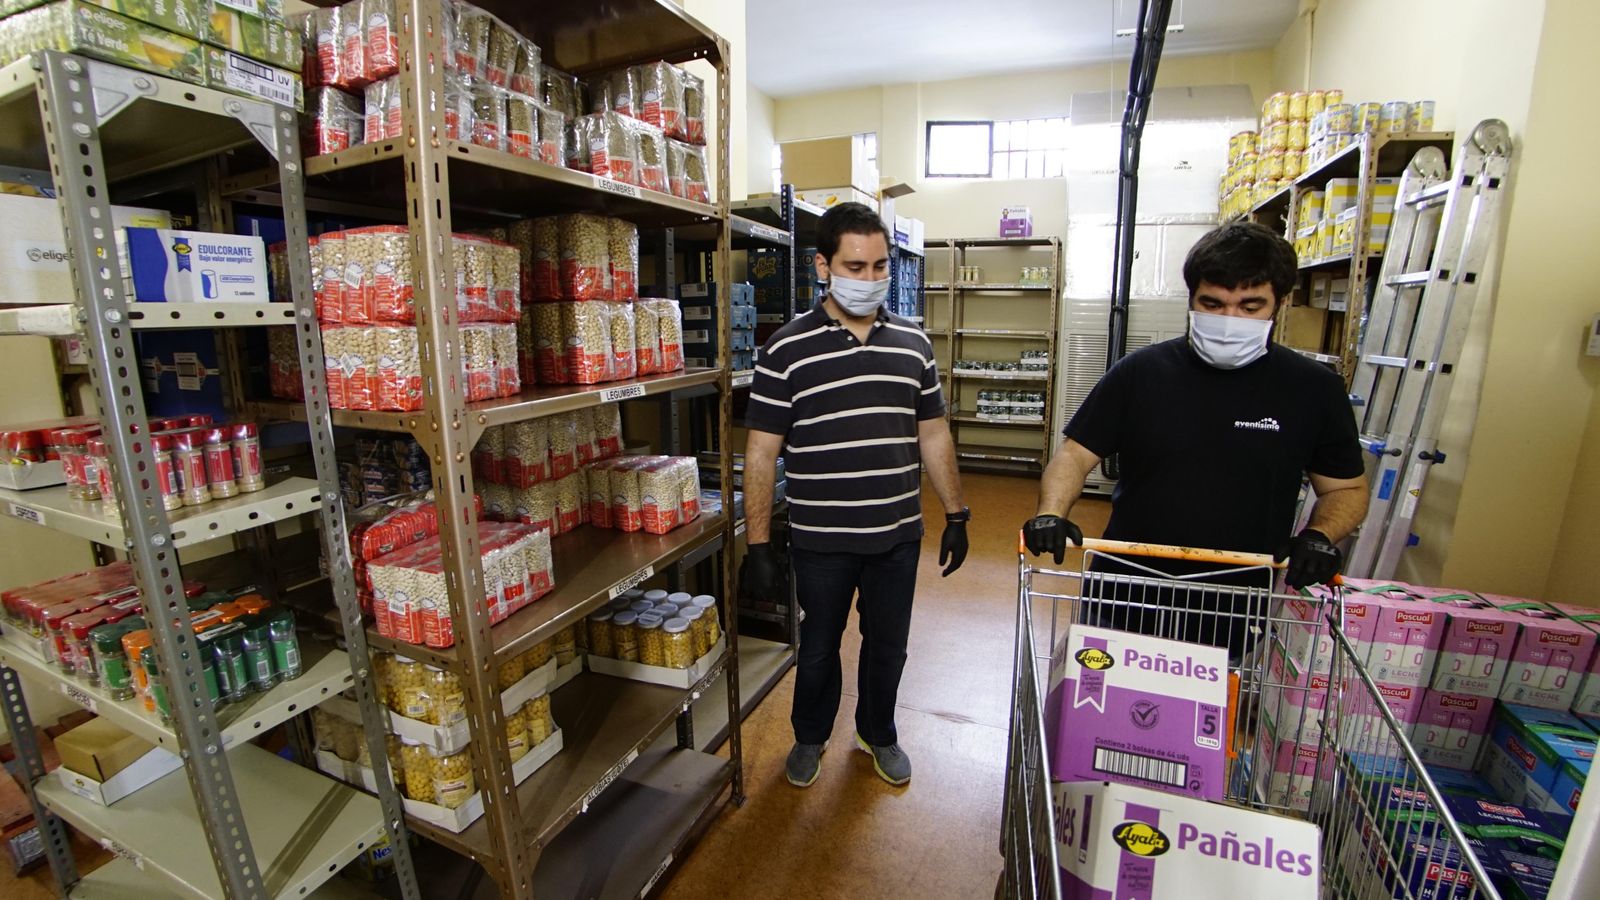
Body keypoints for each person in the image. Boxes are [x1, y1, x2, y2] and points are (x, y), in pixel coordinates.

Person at [1022, 221, 1368, 655]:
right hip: (1125, 588)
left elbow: (1347, 489)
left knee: (1204, 721)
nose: (1229, 320)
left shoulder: (1313, 389)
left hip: (1233, 601)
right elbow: (1075, 454)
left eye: (1249, 306)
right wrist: (1051, 512)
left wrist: (1320, 535)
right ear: (1191, 300)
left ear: (1279, 303)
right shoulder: (1140, 374)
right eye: (1213, 303)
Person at [739, 202, 968, 789]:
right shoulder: (785, 350)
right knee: (817, 650)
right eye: (855, 266)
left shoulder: (914, 344)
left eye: (879, 267)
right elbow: (762, 452)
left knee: (888, 647)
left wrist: (958, 512)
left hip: (896, 536)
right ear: (822, 266)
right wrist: (758, 544)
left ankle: (878, 731)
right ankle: (810, 736)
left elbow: (934, 433)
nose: (869, 280)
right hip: (822, 541)